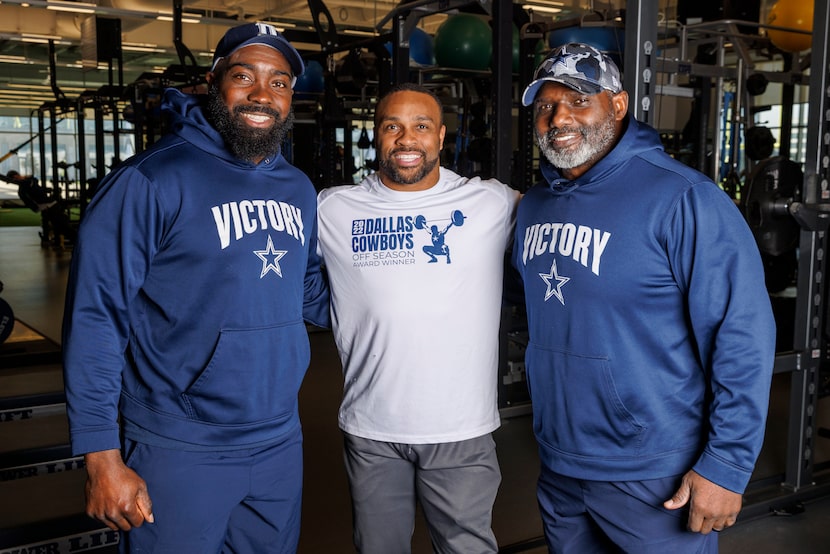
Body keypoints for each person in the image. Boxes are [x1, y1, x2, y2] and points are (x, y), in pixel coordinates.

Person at [61, 23, 329, 551]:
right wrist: (100, 455)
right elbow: (96, 315)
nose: (261, 93)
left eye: (278, 82)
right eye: (244, 76)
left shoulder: (296, 187)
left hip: (279, 440)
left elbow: (309, 292)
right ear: (213, 83)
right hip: (180, 445)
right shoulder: (151, 181)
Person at [514, 43, 776, 552]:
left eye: (578, 100)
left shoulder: (684, 198)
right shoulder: (535, 205)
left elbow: (742, 335)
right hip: (561, 462)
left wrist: (727, 465)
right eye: (546, 106)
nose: (559, 117)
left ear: (618, 104)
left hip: (654, 471)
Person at [316, 83, 520, 553]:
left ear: (442, 137)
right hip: (371, 429)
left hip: (460, 429)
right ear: (378, 134)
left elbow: (567, 215)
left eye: (421, 127)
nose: (407, 140)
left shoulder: (490, 202)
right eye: (393, 127)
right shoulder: (332, 208)